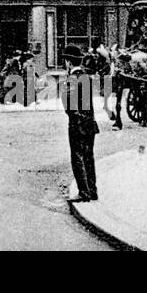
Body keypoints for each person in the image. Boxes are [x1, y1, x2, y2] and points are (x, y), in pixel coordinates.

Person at [61, 46, 99, 203]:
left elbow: (69, 104)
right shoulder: (86, 76)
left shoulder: (71, 78)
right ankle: (92, 190)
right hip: (90, 123)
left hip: (77, 124)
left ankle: (83, 193)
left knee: (77, 157)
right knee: (89, 157)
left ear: (69, 62)